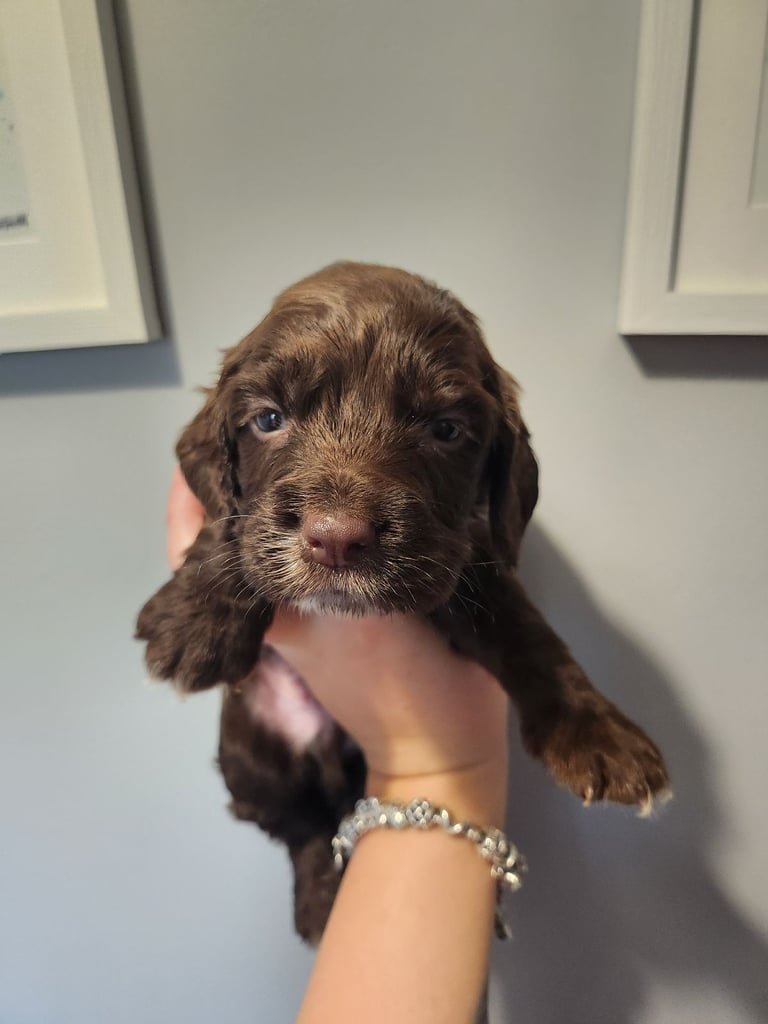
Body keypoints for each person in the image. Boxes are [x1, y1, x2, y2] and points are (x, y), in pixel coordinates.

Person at [167, 467, 512, 1023]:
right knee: (263, 777)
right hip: (304, 747)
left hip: (400, 769)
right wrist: (448, 765)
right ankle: (310, 844)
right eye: (272, 424)